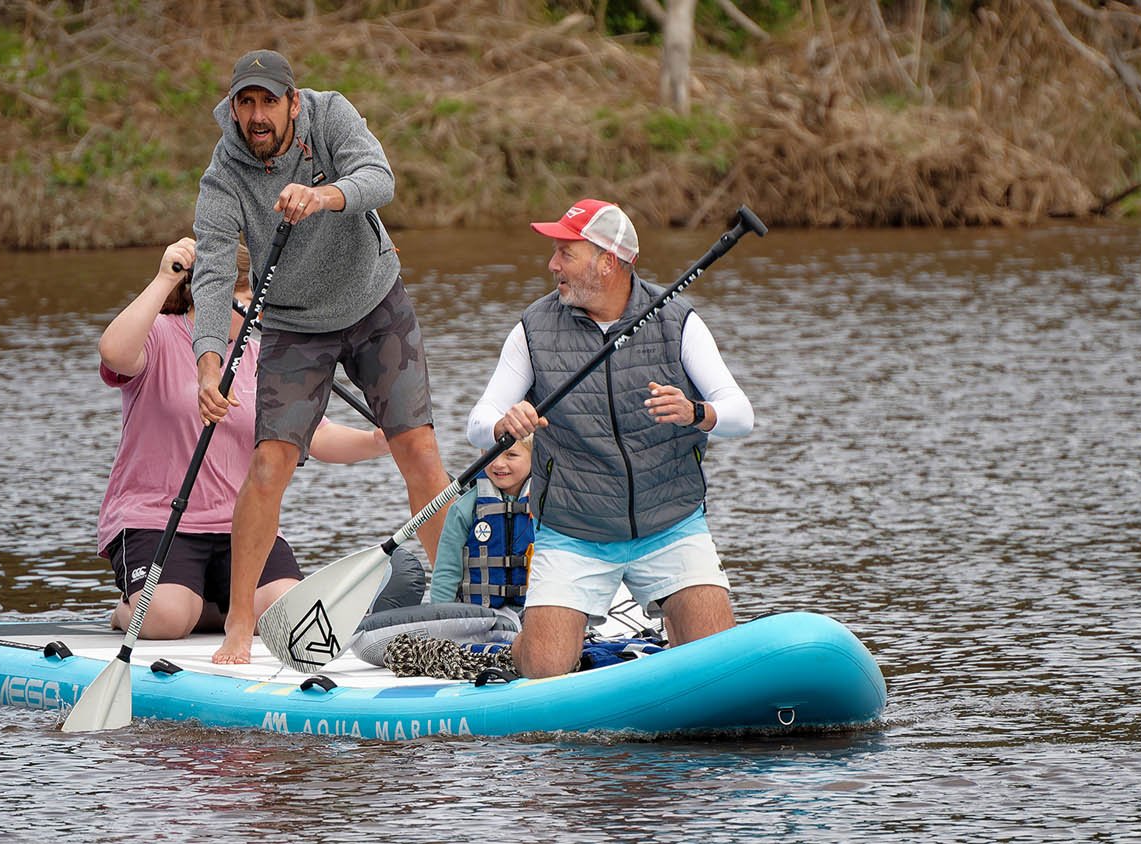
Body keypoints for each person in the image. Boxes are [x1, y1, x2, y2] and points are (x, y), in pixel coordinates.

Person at [191, 49, 449, 664]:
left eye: (267, 102)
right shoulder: (223, 173)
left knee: (417, 448)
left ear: (293, 102)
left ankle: (451, 600)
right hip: (293, 324)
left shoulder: (332, 116)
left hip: (374, 300)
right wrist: (207, 360)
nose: (255, 116)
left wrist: (325, 195)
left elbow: (379, 178)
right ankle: (240, 626)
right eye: (244, 103)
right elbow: (212, 270)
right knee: (268, 464)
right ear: (232, 107)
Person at [466, 199, 756, 678]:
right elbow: (479, 420)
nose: (552, 264)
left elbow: (741, 415)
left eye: (566, 253)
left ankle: (672, 642)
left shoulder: (678, 321)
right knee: (544, 671)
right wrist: (504, 423)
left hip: (671, 521)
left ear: (607, 263)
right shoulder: (533, 329)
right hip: (574, 530)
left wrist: (695, 412)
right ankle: (516, 645)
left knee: (717, 663)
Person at [97, 236, 390, 641]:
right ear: (210, 293)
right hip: (158, 519)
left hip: (242, 523)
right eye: (250, 295)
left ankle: (207, 604)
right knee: (163, 619)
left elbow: (317, 437)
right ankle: (140, 611)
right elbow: (112, 352)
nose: (261, 308)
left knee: (289, 612)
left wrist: (378, 441)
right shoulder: (161, 335)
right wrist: (166, 278)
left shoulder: (265, 355)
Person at [428, 434, 535, 618]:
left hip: (534, 618)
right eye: (491, 454)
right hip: (478, 619)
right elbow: (446, 573)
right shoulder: (464, 508)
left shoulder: (548, 507)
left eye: (511, 455)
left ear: (535, 457)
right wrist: (440, 621)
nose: (498, 463)